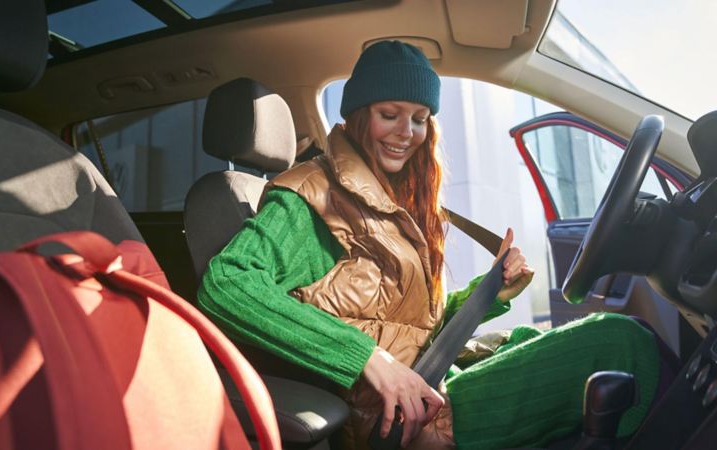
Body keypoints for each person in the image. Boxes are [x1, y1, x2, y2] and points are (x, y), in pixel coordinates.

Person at [198, 41, 664, 449]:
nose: (407, 133)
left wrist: (487, 296)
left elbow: (405, 327)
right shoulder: (310, 196)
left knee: (584, 341)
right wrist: (365, 359)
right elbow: (226, 284)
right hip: (395, 418)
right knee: (616, 342)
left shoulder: (385, 202)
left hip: (432, 379)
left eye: (420, 119)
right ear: (359, 115)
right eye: (389, 115)